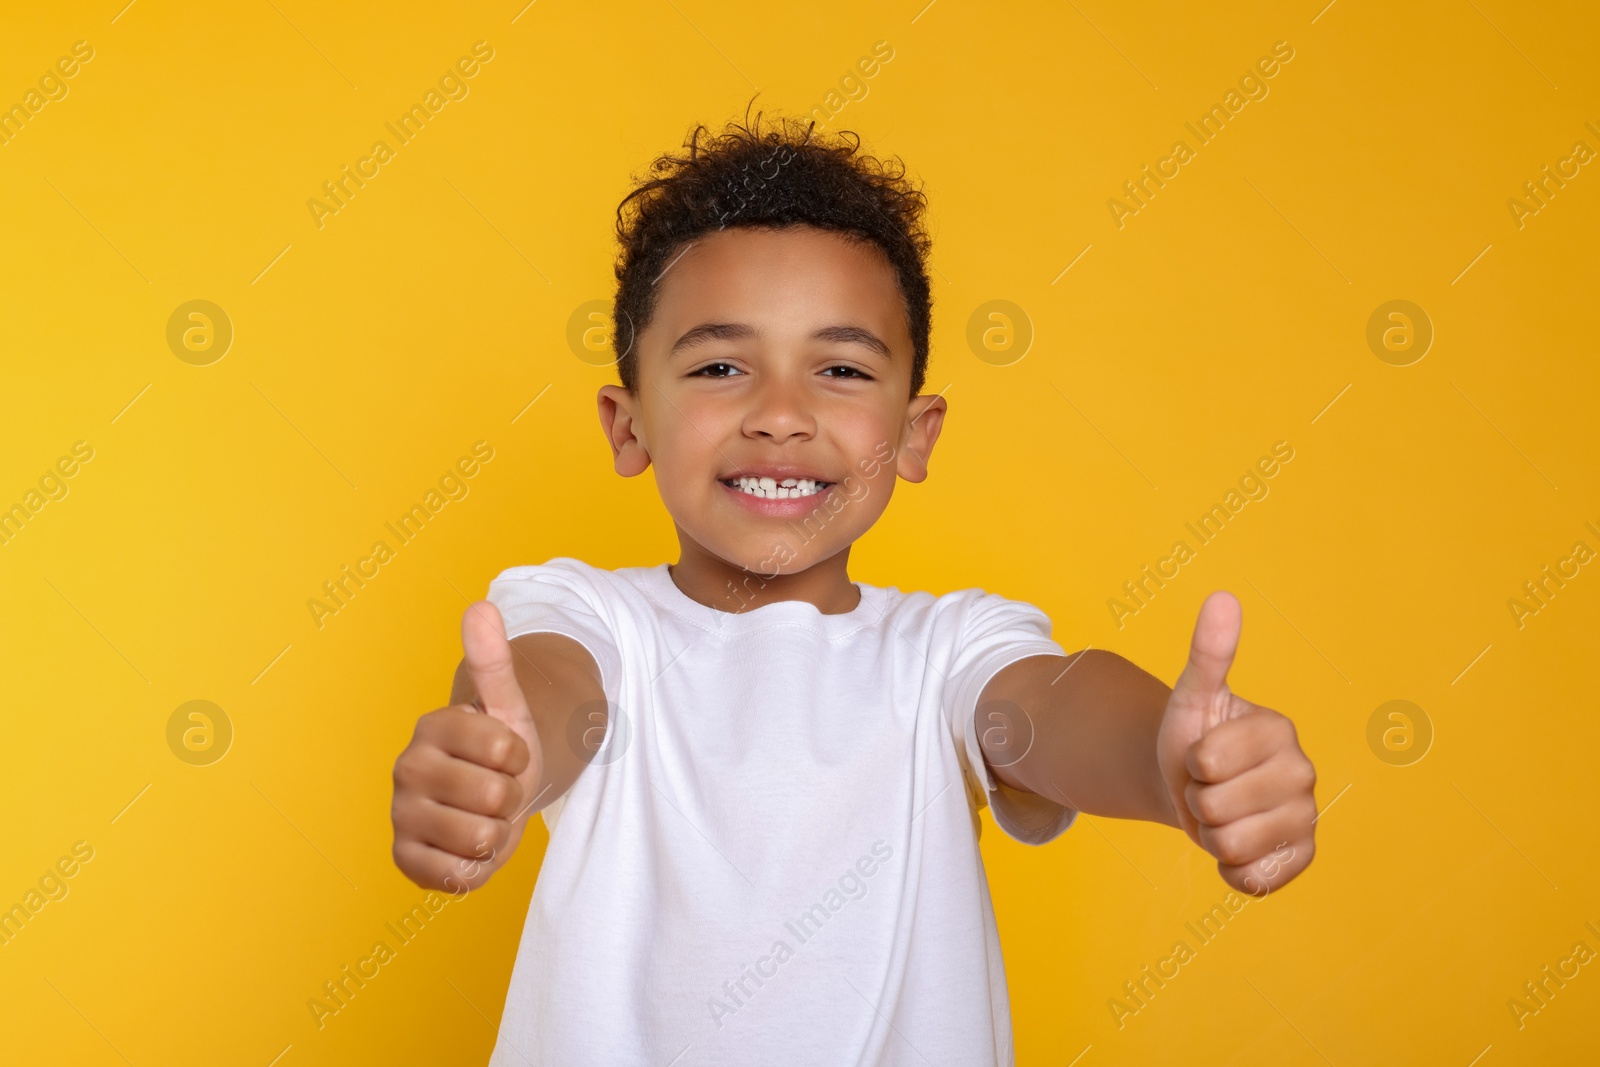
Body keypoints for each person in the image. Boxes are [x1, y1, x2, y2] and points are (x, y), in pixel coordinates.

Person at [390, 103, 1318, 1066]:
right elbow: (547, 698)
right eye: (718, 365)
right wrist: (496, 766)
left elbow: (1048, 707)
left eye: (839, 367)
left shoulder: (945, 652)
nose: (781, 415)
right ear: (628, 426)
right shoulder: (594, 619)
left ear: (916, 434)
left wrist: (1167, 762)